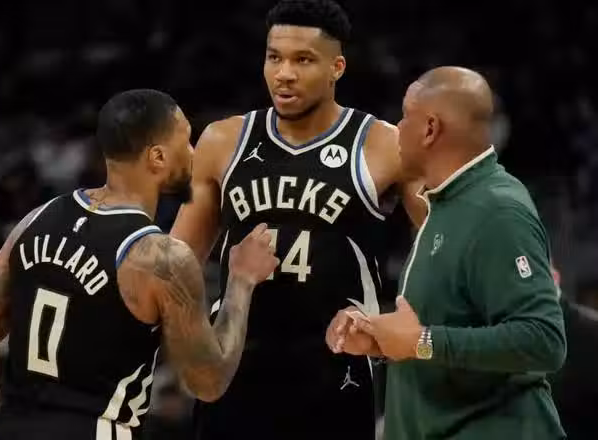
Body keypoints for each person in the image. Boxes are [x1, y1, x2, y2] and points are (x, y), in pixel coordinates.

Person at [0, 89, 279, 440]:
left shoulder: (36, 219)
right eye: (186, 141)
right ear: (157, 157)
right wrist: (241, 281)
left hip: (10, 428)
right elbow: (208, 381)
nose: (193, 152)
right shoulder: (159, 257)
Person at [169, 0, 424, 438]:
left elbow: (443, 246)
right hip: (235, 359)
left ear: (336, 67)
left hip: (337, 366)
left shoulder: (385, 144)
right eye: (274, 58)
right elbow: (176, 265)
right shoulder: (223, 140)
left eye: (303, 60)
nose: (284, 73)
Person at [327, 66, 567, 439]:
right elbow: (442, 328)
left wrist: (422, 342)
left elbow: (544, 339)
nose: (397, 127)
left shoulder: (497, 210)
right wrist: (383, 338)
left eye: (405, 115)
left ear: (430, 129)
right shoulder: (447, 205)